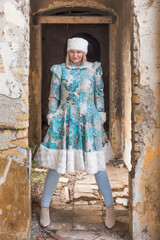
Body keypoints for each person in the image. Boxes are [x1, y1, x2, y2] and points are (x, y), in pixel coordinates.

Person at [34, 37, 115, 229]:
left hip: (89, 120)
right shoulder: (59, 70)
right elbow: (53, 96)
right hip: (65, 119)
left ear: (84, 53)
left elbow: (99, 94)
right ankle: (45, 207)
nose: (76, 55)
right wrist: (52, 116)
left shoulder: (94, 69)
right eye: (72, 52)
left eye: (79, 52)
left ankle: (110, 207)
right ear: (68, 52)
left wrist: (100, 116)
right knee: (56, 165)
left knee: (98, 166)